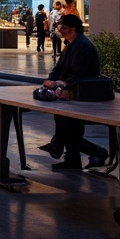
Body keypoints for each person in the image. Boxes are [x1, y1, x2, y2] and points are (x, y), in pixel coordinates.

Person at [37, 14, 109, 170]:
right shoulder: (72, 44)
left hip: (83, 96)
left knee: (67, 127)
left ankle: (92, 151)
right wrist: (51, 81)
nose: (59, 29)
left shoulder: (81, 46)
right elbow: (59, 69)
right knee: (65, 124)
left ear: (71, 29)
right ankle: (70, 156)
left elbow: (78, 74)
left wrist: (59, 84)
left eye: (62, 27)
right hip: (73, 93)